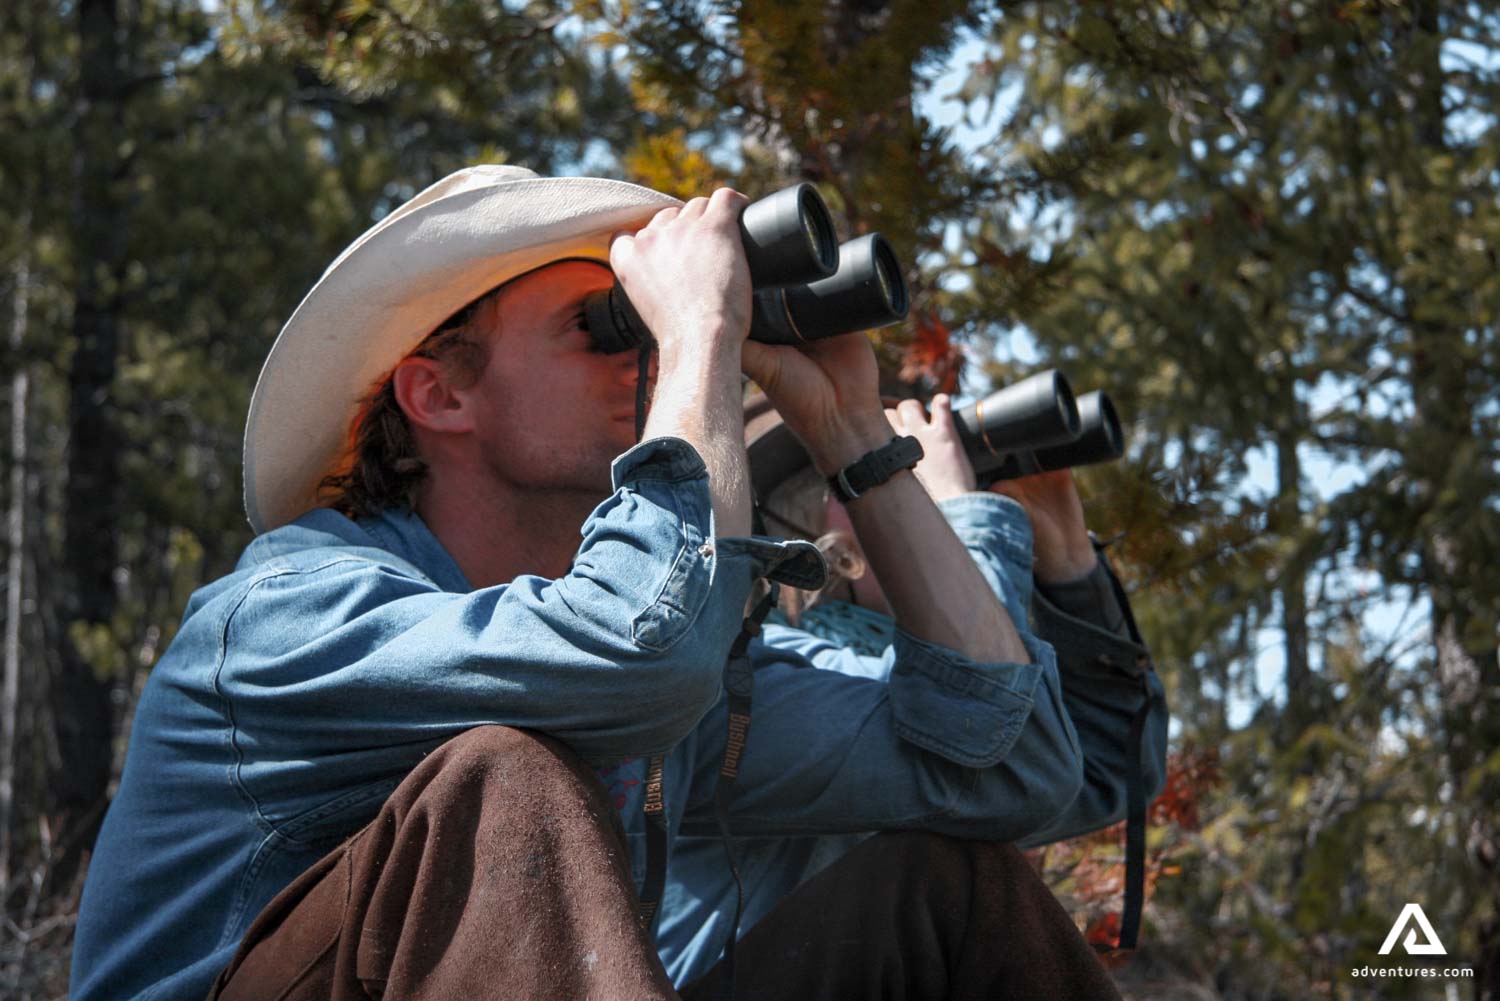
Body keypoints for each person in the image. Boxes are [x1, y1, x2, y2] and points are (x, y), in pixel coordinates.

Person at [71, 164, 1129, 1001]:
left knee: (943, 892)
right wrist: (702, 330)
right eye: (602, 326)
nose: (649, 357)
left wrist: (855, 434)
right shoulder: (287, 614)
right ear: (439, 394)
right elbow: (639, 652)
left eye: (645, 324)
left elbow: (1015, 769)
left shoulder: (643, 643)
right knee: (497, 777)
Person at [653, 391, 1169, 985]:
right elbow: (972, 733)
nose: (911, 490)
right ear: (801, 521)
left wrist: (1072, 566)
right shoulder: (755, 666)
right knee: (953, 869)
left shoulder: (898, 675)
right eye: (879, 469)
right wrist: (966, 521)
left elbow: (1108, 771)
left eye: (907, 468)